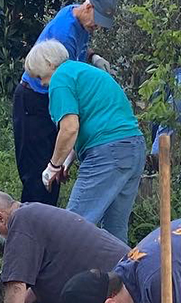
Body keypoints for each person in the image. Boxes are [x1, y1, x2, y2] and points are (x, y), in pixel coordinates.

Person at [24, 40, 146, 243]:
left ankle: (55, 274)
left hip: (108, 152)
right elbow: (87, 124)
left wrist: (53, 166)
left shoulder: (60, 78)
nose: (42, 83)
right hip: (132, 149)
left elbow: (69, 129)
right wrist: (66, 162)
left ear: (48, 63)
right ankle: (122, 274)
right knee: (114, 231)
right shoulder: (82, 71)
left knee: (72, 226)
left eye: (39, 76)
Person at [0, 191, 130, 303]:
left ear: (0, 217)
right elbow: (40, 280)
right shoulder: (31, 214)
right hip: (121, 278)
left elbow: (15, 285)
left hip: (117, 291)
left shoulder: (20, 222)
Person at [13, 0, 118, 206]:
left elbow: (79, 53)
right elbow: (67, 81)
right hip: (35, 100)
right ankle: (30, 226)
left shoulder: (77, 17)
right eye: (96, 22)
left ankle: (49, 224)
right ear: (88, 7)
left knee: (54, 167)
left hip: (52, 97)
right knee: (37, 172)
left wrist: (93, 56)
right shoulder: (64, 34)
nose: (96, 27)